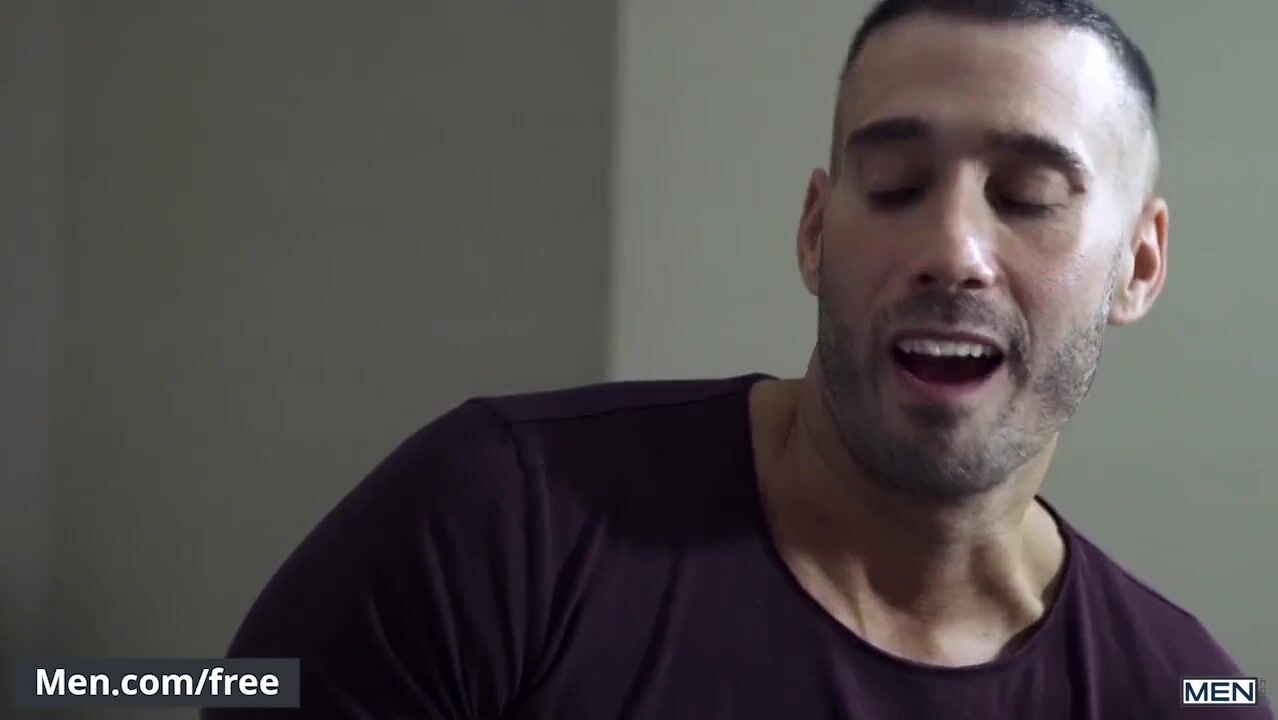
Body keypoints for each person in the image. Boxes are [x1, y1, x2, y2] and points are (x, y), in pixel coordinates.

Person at [207, 0, 1272, 717]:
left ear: (1139, 266)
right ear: (814, 232)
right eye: (895, 187)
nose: (952, 249)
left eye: (1028, 198)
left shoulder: (1182, 694)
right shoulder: (498, 518)